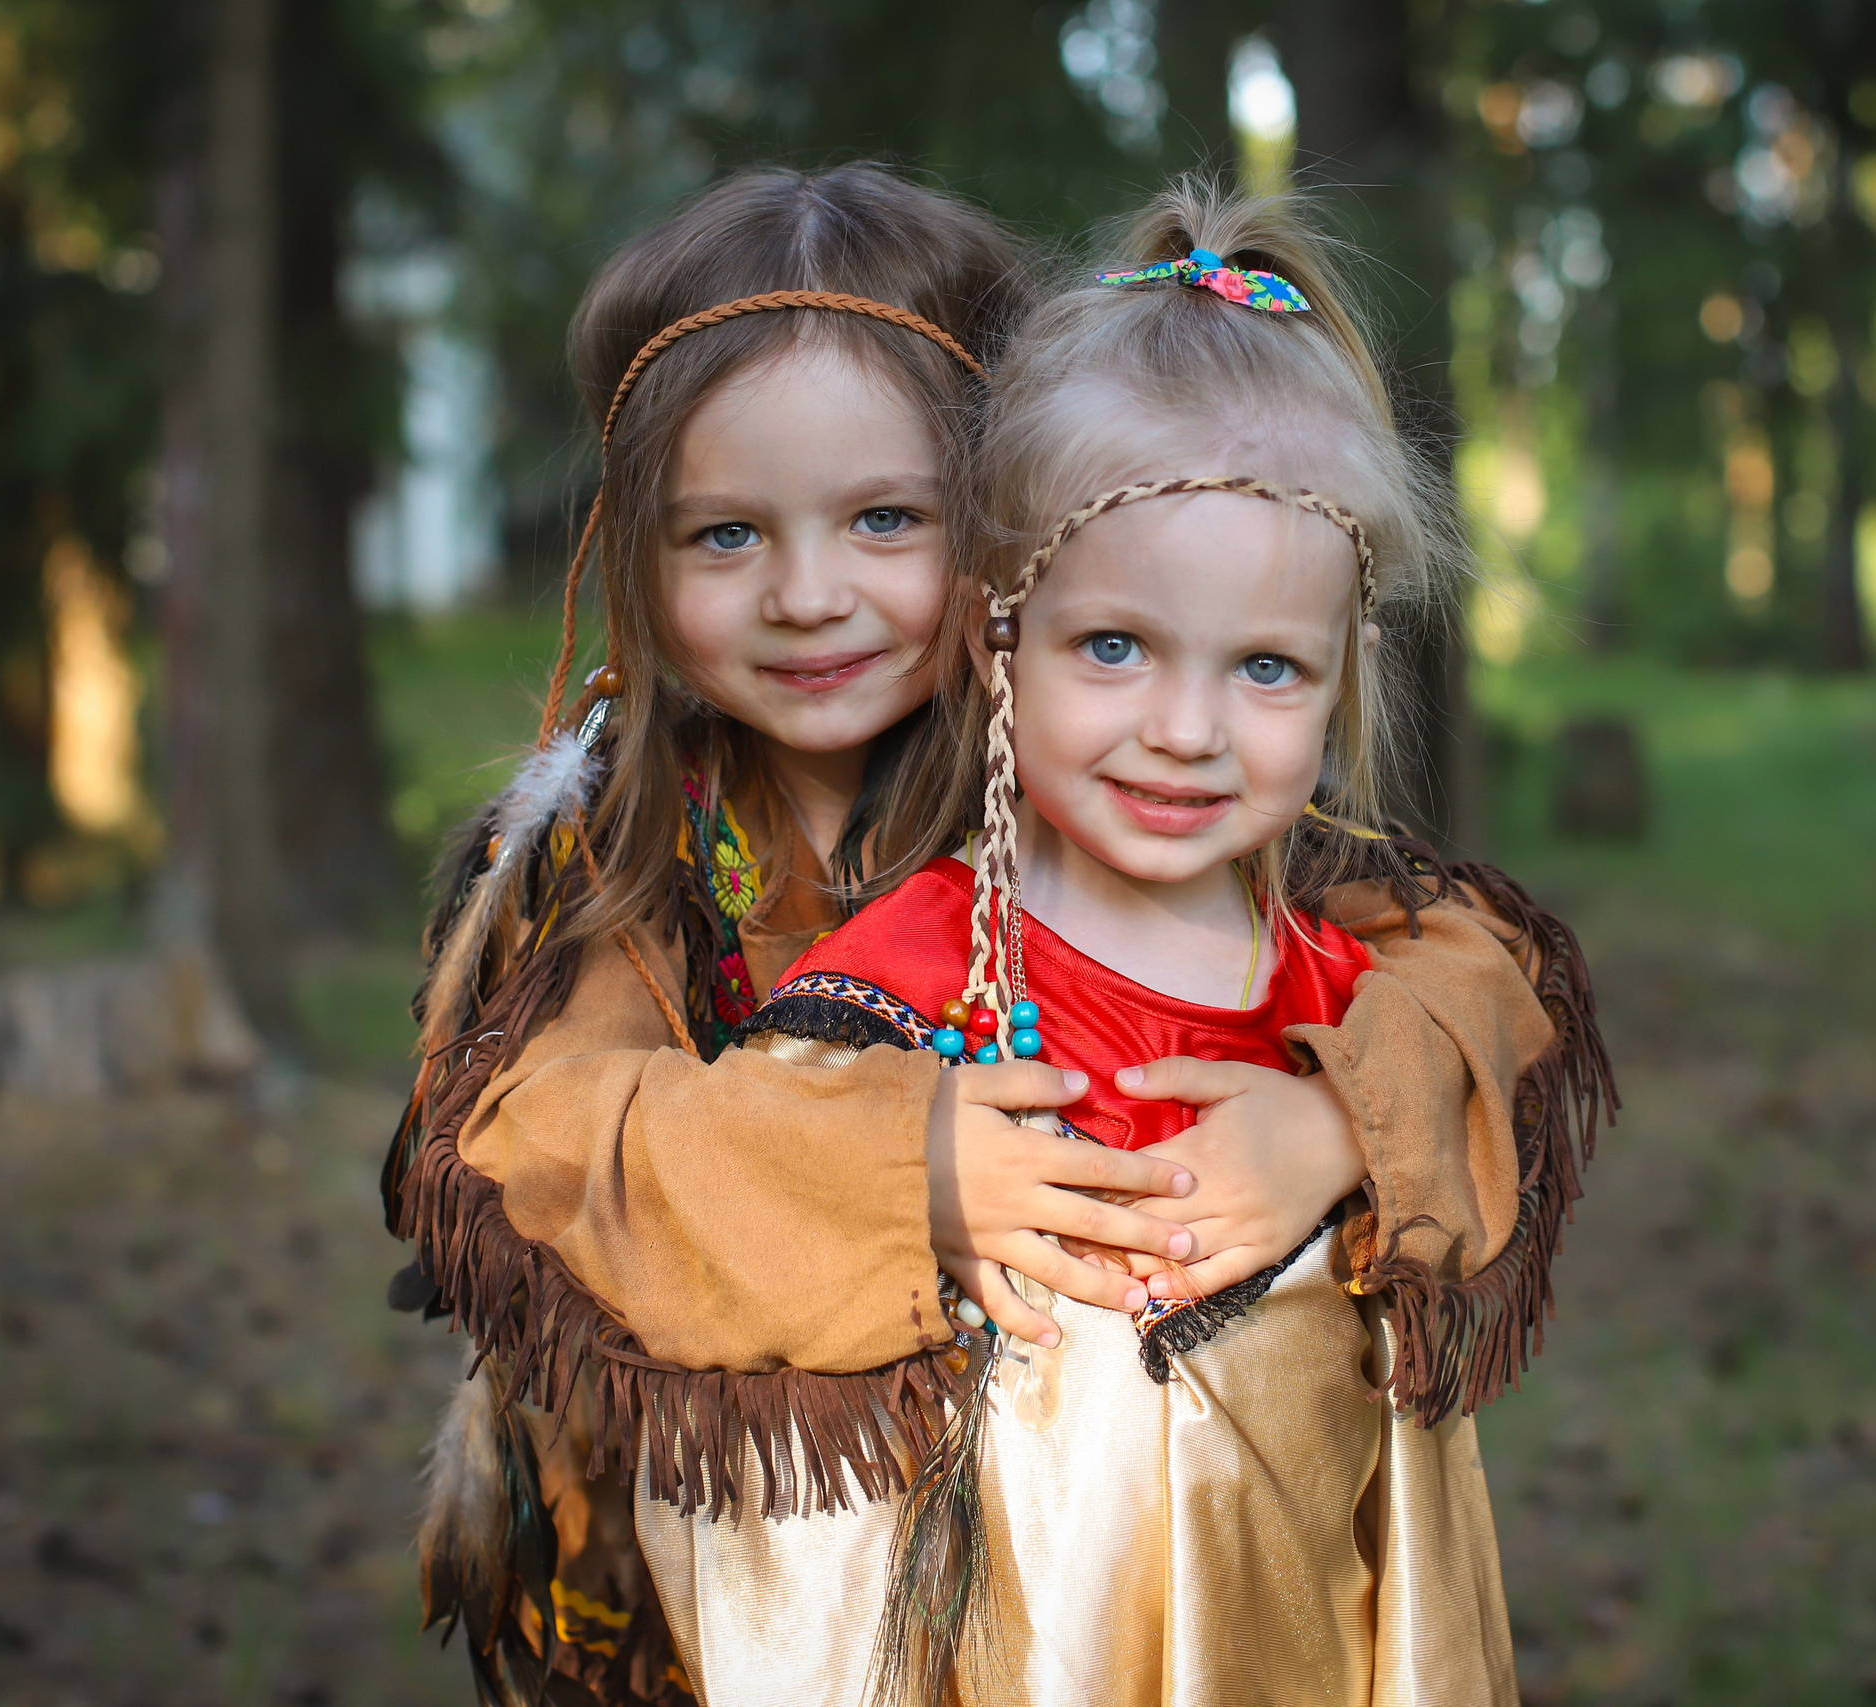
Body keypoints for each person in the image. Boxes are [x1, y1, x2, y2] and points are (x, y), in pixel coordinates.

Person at [384, 166, 1607, 1707]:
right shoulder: (624, 845)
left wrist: (1336, 1126)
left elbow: (1461, 966)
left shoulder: (1103, 759)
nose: (809, 595)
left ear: (1008, 541)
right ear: (633, 545)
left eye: (887, 518)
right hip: (746, 1602)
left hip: (1128, 1593)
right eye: (723, 537)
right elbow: (541, 1143)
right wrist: (903, 1168)